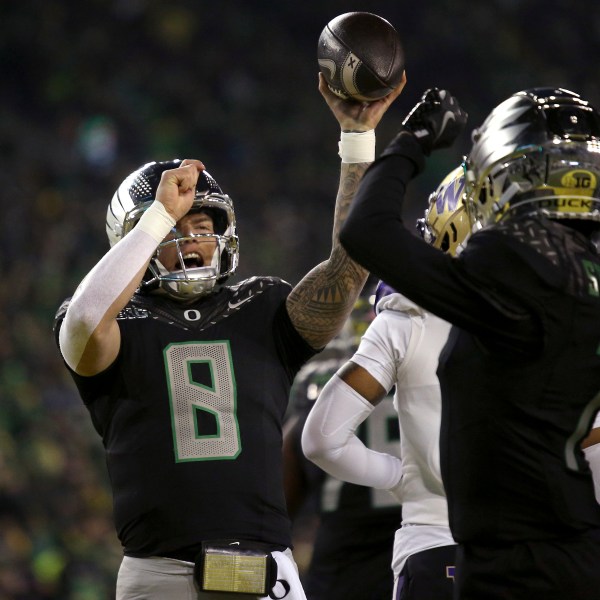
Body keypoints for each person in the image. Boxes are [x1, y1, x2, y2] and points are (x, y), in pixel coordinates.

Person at [53, 72, 405, 600]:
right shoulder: (114, 323)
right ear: (136, 240)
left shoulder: (259, 305)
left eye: (202, 225)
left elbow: (346, 269)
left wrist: (356, 140)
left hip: (270, 575)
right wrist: (157, 216)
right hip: (162, 575)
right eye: (176, 228)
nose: (193, 238)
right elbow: (83, 323)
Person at [338, 86, 600, 599]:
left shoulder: (516, 262)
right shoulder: (587, 275)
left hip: (520, 561)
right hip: (568, 546)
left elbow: (367, 232)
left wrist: (412, 141)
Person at [301, 167, 470, 600]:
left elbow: (319, 441)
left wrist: (399, 476)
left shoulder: (403, 318)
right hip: (543, 547)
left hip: (434, 544)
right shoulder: (562, 313)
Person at [283, 286, 402, 600]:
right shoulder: (436, 374)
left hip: (341, 569)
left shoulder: (320, 387)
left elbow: (279, 497)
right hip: (420, 553)